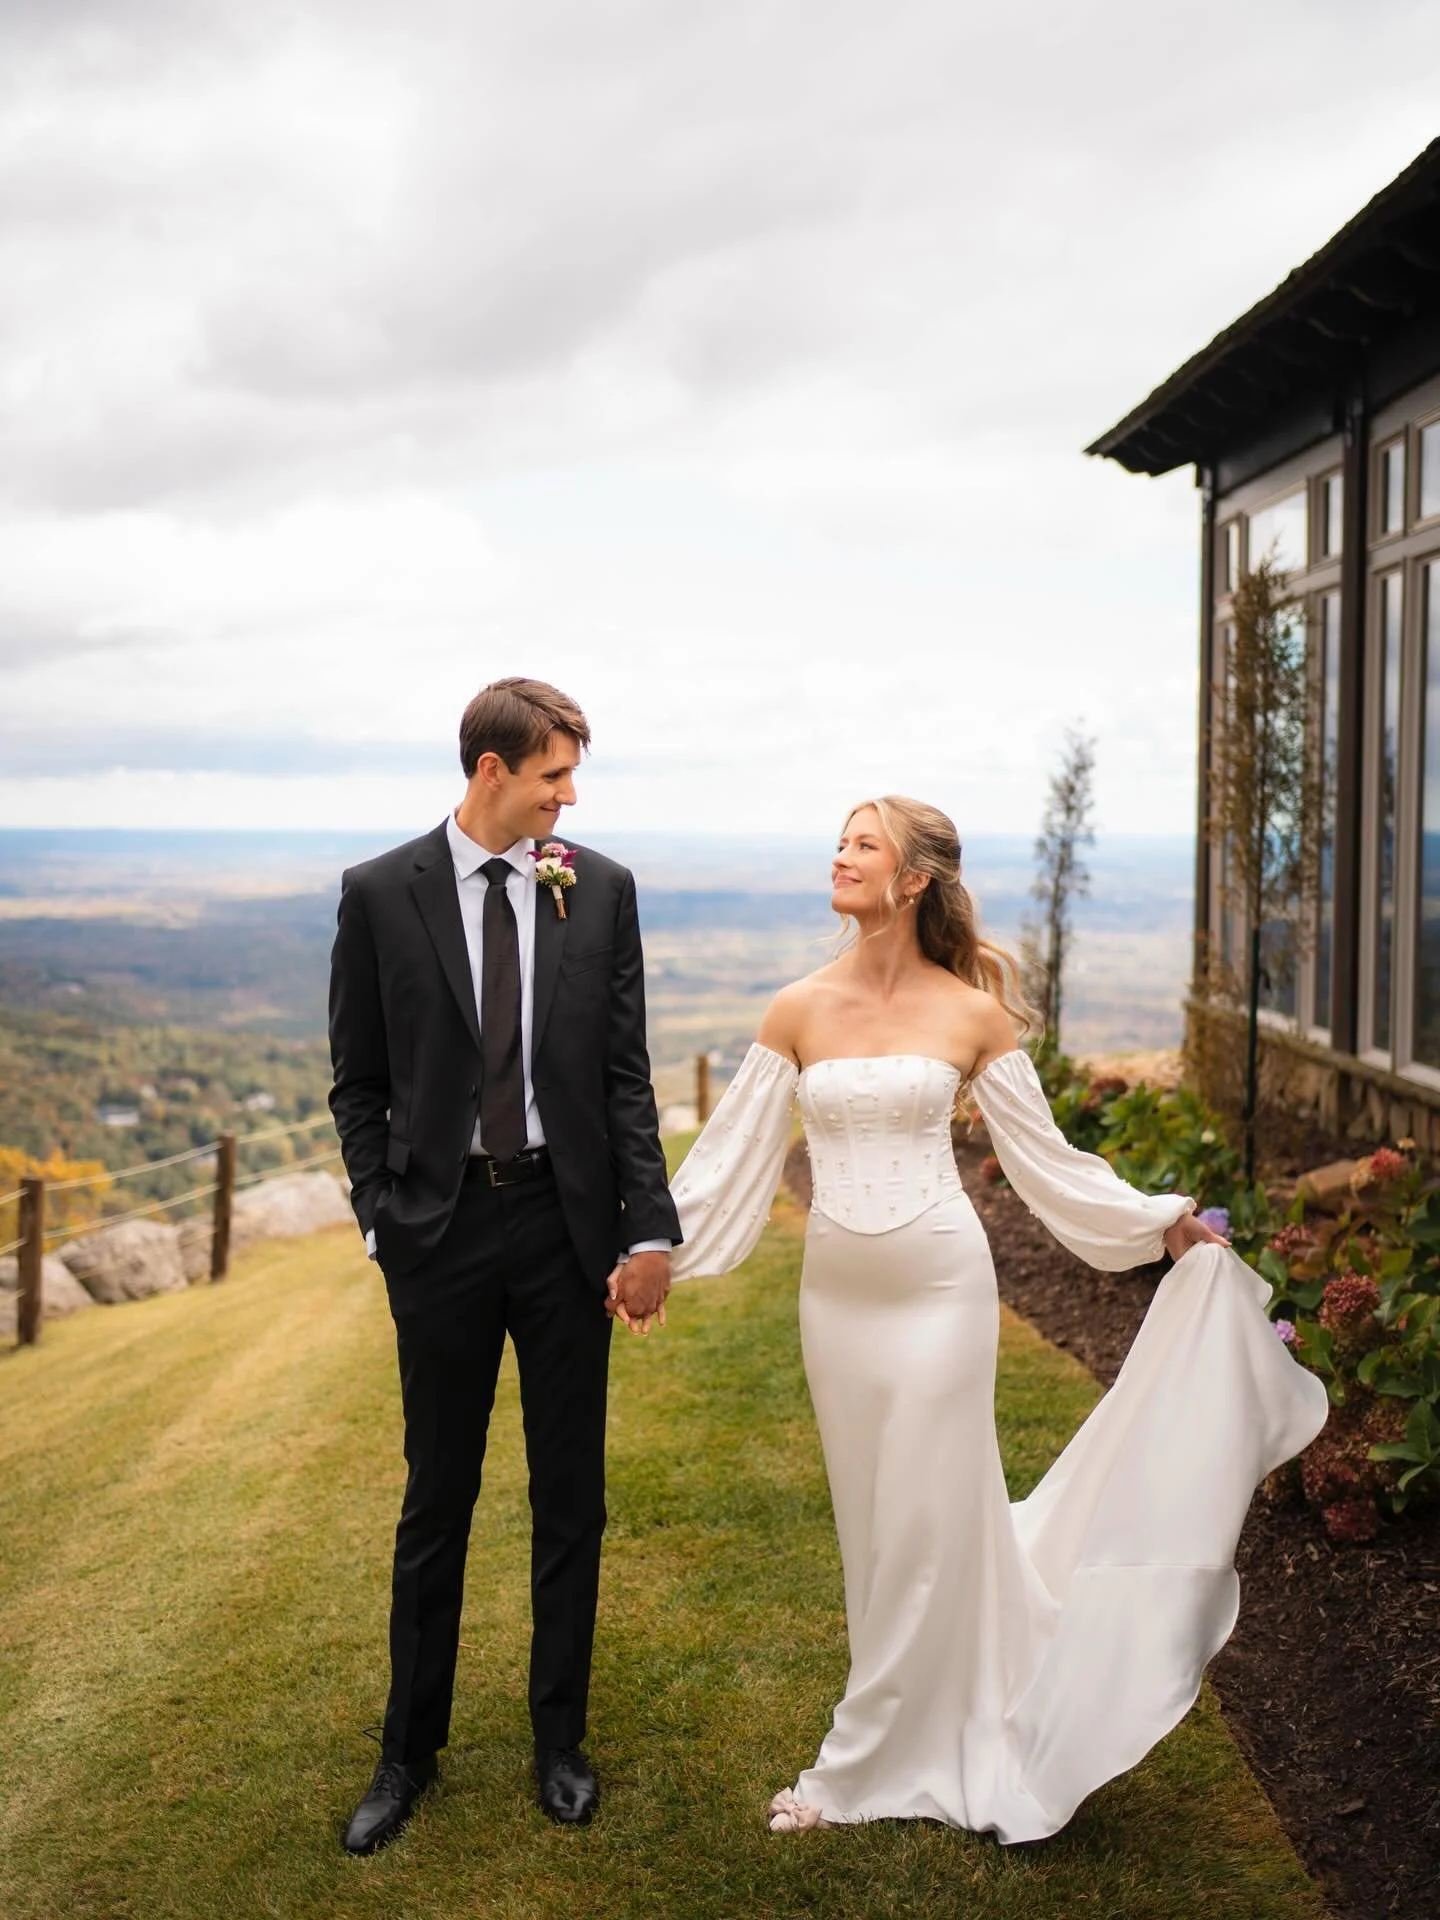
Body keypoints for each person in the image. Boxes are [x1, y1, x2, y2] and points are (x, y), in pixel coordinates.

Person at [660, 795, 1327, 1839]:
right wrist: (654, 1249)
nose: (840, 856)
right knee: (876, 1526)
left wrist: (1159, 1223)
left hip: (940, 1290)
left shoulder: (973, 1014)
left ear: (913, 878)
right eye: (841, 841)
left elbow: (1045, 1162)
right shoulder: (795, 1009)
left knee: (931, 1508)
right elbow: (726, 1157)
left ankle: (863, 1761)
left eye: (863, 844)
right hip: (836, 1300)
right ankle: (918, 1704)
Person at [328, 677, 679, 1854]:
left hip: (565, 1231)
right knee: (438, 1498)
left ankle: (559, 1743)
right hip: (436, 1239)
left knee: (569, 1496)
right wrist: (384, 1222)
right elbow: (357, 1082)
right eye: (552, 777)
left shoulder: (601, 888)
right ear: (491, 773)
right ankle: (406, 1755)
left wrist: (646, 1229)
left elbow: (626, 1077)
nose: (567, 797)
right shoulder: (380, 894)